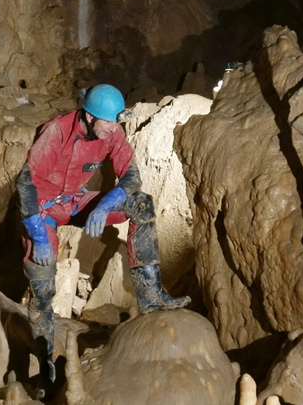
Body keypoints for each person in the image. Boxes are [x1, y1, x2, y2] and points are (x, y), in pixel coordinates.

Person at [15, 83, 189, 382]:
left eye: (116, 123)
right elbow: (25, 185)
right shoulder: (57, 131)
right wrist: (39, 237)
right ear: (89, 116)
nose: (113, 130)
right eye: (108, 123)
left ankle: (151, 295)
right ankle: (45, 365)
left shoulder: (112, 131)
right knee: (42, 289)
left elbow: (132, 176)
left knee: (141, 204)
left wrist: (104, 205)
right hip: (42, 210)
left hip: (75, 202)